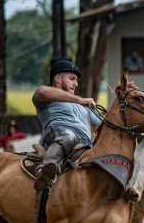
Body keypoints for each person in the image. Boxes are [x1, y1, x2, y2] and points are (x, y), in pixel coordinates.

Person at [32, 58, 101, 192]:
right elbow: (41, 92)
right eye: (72, 78)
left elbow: (103, 126)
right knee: (68, 136)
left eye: (76, 80)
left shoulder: (84, 107)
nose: (76, 84)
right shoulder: (46, 97)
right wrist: (80, 100)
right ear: (57, 79)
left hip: (85, 148)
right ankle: (46, 171)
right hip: (61, 135)